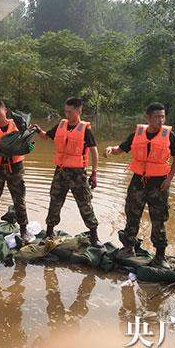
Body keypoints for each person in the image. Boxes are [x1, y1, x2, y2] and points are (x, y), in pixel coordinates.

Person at [104, 102, 175, 268]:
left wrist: (169, 180)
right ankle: (128, 247)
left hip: (159, 183)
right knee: (132, 215)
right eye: (157, 117)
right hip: (138, 181)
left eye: (163, 116)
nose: (161, 120)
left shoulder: (169, 135)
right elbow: (122, 149)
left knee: (158, 219)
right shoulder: (137, 134)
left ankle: (160, 256)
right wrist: (111, 149)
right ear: (147, 118)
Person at [33, 97, 101, 246]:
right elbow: (46, 136)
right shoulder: (61, 125)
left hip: (78, 174)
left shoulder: (85, 129)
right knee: (55, 202)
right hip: (61, 171)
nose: (67, 114)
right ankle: (49, 234)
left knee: (85, 204)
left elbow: (94, 152)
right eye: (65, 111)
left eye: (70, 112)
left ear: (79, 111)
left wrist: (94, 173)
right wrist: (38, 130)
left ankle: (95, 237)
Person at [0, 100, 30, 241]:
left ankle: (23, 229)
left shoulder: (18, 125)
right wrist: (3, 152)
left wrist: (27, 147)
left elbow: (26, 142)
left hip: (15, 167)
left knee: (19, 199)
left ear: (5, 110)